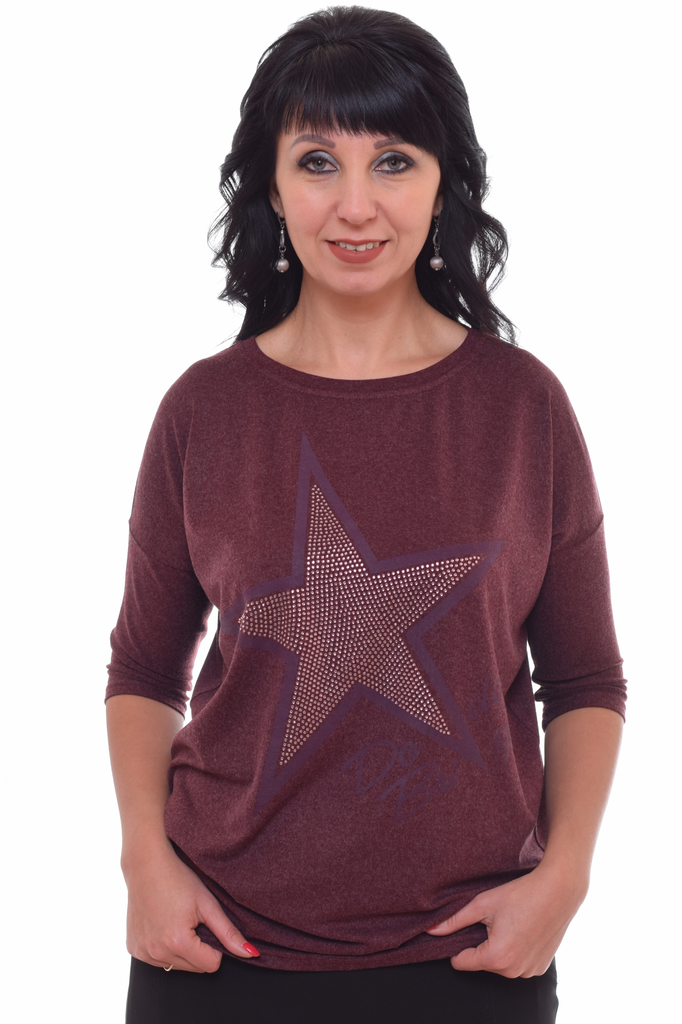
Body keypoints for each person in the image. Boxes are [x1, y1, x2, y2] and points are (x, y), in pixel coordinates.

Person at [106, 7, 626, 1023]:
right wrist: (143, 864)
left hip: (473, 959)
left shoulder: (522, 407)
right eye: (316, 162)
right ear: (270, 184)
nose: (355, 206)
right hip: (213, 952)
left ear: (443, 181)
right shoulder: (203, 410)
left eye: (393, 161)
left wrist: (564, 881)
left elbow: (585, 679)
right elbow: (142, 671)